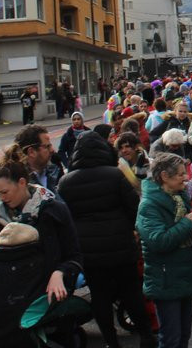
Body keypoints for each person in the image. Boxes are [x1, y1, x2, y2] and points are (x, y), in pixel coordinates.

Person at [0, 147, 82, 348]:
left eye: (4, 192)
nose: (1, 198)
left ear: (22, 183)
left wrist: (60, 272)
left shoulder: (53, 211)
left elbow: (75, 256)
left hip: (39, 313)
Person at [59, 131, 154, 348]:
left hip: (89, 251)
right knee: (131, 291)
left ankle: (111, 341)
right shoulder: (115, 175)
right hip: (121, 244)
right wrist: (133, 230)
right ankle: (146, 334)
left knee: (100, 296)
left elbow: (66, 220)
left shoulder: (66, 182)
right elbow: (134, 208)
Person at [136, 153, 192, 348]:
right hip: (165, 280)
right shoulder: (148, 206)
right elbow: (158, 241)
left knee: (184, 336)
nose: (186, 178)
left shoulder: (179, 196)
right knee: (170, 339)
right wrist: (188, 224)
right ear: (164, 177)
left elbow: (190, 224)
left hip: (185, 275)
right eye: (180, 174)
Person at [16, 124, 63, 192]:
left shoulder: (55, 169)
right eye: (47, 146)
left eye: (51, 145)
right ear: (31, 152)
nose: (52, 150)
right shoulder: (17, 184)